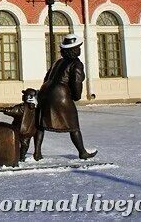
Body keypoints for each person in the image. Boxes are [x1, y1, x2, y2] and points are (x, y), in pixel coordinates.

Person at [33, 33, 96, 161]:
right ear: (74, 50)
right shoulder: (76, 64)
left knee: (41, 123)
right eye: (78, 47)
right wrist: (76, 96)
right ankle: (82, 152)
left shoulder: (58, 62)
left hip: (45, 91)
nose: (79, 49)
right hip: (60, 95)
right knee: (73, 125)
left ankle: (37, 152)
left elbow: (47, 77)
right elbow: (76, 82)